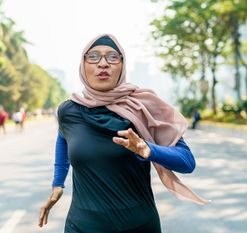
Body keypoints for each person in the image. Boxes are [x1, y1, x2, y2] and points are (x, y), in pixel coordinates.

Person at [38, 34, 209, 233]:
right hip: (82, 226)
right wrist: (58, 183)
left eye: (112, 57)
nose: (103, 64)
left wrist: (149, 150)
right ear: (83, 64)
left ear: (122, 65)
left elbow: (187, 162)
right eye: (93, 57)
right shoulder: (69, 111)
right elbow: (64, 139)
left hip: (138, 226)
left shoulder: (143, 107)